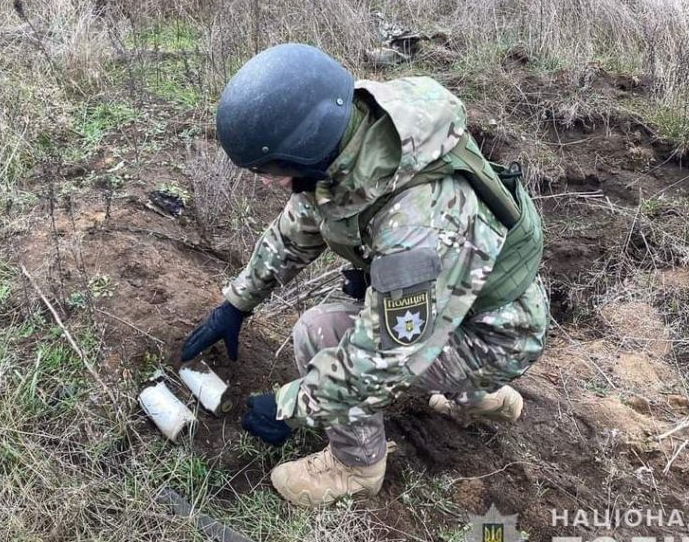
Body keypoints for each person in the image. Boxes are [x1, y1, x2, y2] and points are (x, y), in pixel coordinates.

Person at [181, 43, 549, 508]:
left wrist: (288, 407)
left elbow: (384, 357)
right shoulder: (353, 135)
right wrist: (236, 303)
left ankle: (355, 465)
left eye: (270, 170)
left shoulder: (416, 225)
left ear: (305, 147)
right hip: (476, 304)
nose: (265, 181)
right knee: (382, 313)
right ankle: (482, 398)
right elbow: (298, 229)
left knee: (319, 332)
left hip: (495, 336)